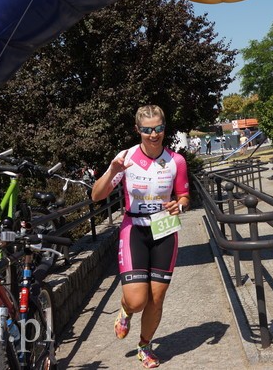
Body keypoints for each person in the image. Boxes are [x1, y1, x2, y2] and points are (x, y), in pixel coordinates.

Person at [91, 105, 190, 369]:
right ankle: (125, 310)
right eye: (147, 130)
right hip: (134, 228)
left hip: (165, 228)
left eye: (158, 128)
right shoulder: (126, 158)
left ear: (164, 127)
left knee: (156, 298)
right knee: (137, 300)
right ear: (138, 130)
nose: (154, 134)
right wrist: (113, 171)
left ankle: (145, 345)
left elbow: (184, 195)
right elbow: (96, 196)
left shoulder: (176, 161)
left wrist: (179, 205)